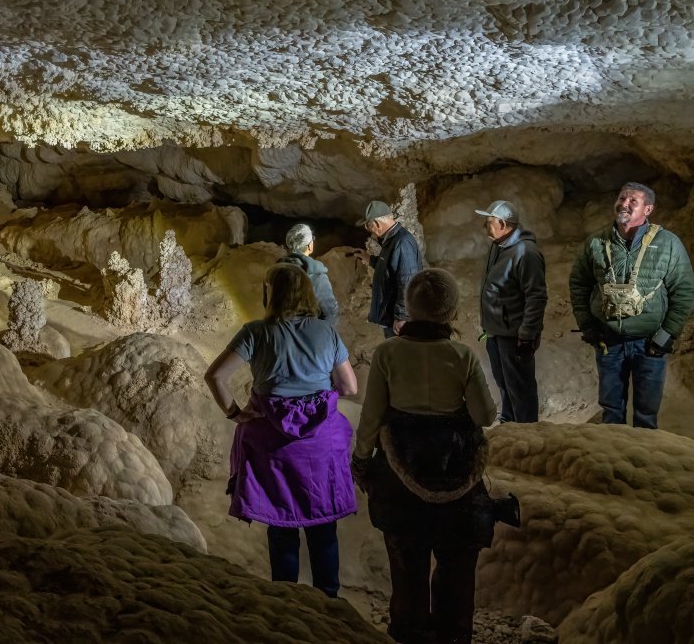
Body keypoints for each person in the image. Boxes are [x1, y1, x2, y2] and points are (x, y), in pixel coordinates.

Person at [351, 268, 499, 644]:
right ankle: (453, 636)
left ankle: (410, 633)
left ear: (411, 308)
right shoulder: (462, 355)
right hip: (456, 475)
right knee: (457, 573)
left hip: (401, 481)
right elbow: (485, 416)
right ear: (450, 312)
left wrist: (362, 459)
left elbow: (372, 416)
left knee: (408, 571)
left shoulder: (388, 353)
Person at [203, 262, 358, 598]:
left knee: (282, 524)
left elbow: (215, 376)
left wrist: (235, 413)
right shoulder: (326, 332)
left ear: (270, 294)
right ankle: (328, 603)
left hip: (274, 447)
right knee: (322, 526)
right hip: (318, 449)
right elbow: (349, 387)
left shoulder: (256, 332)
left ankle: (285, 600)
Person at [568, 182, 694, 429]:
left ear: (648, 209)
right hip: (609, 340)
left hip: (649, 343)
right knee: (611, 409)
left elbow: (684, 291)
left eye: (632, 201)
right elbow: (579, 284)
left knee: (646, 413)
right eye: (621, 198)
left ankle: (643, 462)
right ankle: (612, 462)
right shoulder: (597, 242)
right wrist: (587, 325)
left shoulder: (667, 244)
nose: (624, 204)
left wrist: (666, 335)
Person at [475, 200, 547, 423]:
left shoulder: (526, 253)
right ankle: (509, 424)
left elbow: (536, 297)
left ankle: (527, 433)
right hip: (497, 333)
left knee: (520, 388)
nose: (485, 227)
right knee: (505, 384)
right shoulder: (499, 246)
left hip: (514, 336)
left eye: (489, 223)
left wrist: (527, 334)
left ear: (503, 223)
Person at [354, 199, 424, 338]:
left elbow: (407, 282)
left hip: (398, 321)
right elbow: (391, 267)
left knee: (400, 356)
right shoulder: (392, 240)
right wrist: (370, 260)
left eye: (368, 227)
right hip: (390, 316)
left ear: (377, 224)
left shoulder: (402, 242)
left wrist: (402, 317)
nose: (369, 231)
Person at [279, 222, 339, 324]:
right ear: (309, 246)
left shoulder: (277, 272)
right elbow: (330, 313)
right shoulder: (318, 277)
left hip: (282, 332)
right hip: (308, 333)